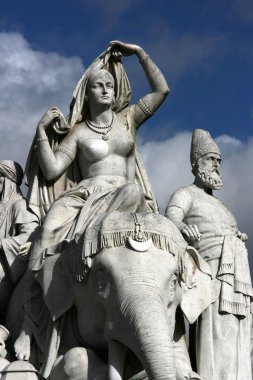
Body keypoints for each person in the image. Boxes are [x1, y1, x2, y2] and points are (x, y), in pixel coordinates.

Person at [14, 40, 169, 371]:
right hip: (84, 197)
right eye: (99, 85)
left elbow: (162, 91)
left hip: (124, 194)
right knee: (42, 240)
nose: (106, 90)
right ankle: (28, 325)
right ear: (88, 91)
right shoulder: (80, 132)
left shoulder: (128, 119)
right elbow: (54, 169)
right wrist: (42, 131)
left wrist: (140, 53)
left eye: (110, 85)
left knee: (137, 202)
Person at [165, 129, 252, 379]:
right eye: (210, 158)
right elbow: (170, 218)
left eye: (218, 160)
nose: (216, 164)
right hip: (209, 274)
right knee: (216, 332)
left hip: (236, 279)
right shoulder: (186, 194)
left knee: (239, 334)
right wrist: (183, 228)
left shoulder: (223, 206)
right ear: (196, 163)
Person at [0, 161, 38, 323]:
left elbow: (30, 234)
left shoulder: (19, 204)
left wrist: (2, 243)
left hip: (8, 263)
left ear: (8, 181)